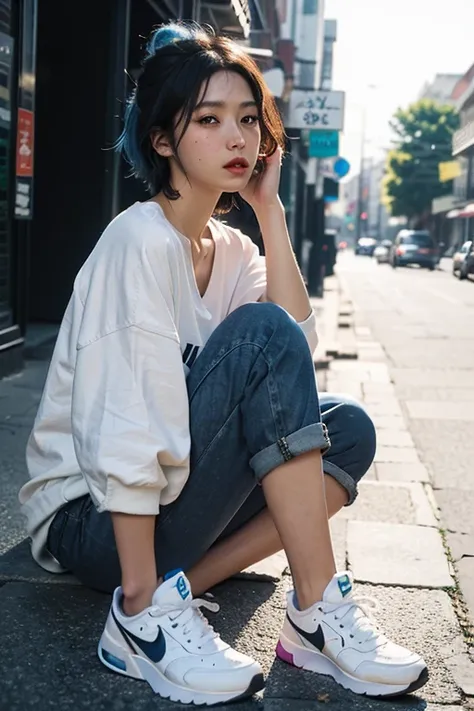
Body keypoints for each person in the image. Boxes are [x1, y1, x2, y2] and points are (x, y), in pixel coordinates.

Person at [18, 23, 428, 706]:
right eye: (208, 120)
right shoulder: (138, 241)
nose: (237, 138)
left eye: (247, 119)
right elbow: (125, 423)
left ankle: (209, 590)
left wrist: (269, 210)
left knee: (347, 427)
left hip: (172, 494)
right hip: (92, 518)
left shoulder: (230, 248)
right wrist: (139, 586)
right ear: (160, 139)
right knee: (262, 338)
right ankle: (156, 610)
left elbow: (296, 350)